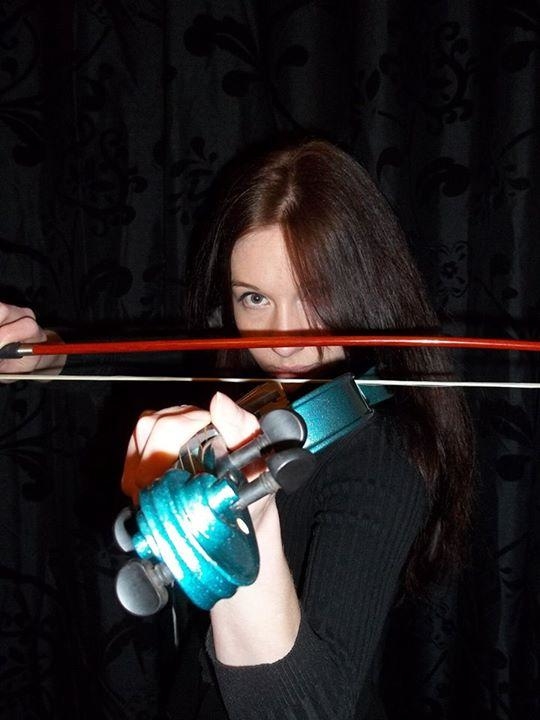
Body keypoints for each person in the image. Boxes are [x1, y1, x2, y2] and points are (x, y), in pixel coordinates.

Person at [0, 137, 474, 719]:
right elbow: (118, 378)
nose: (284, 339)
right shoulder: (256, 396)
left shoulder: (384, 453)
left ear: (367, 287)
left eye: (314, 295)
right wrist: (43, 355)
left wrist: (236, 520)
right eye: (255, 298)